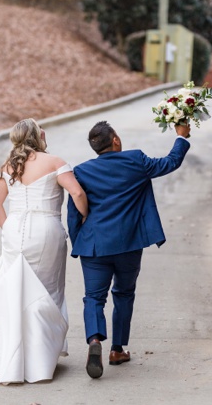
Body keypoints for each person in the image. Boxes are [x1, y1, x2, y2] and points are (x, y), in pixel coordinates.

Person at [67, 120, 190, 378]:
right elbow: (170, 163)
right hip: (128, 244)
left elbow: (72, 214)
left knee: (93, 298)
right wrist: (181, 136)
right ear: (115, 140)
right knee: (124, 293)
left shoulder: (81, 172)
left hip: (94, 246)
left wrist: (80, 242)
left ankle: (94, 342)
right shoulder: (135, 161)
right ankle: (117, 349)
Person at [0, 119, 88, 384]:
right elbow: (77, 193)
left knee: (17, 291)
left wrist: (9, 229)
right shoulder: (54, 161)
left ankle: (14, 356)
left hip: (13, 230)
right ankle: (40, 359)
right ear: (38, 136)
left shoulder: (6, 167)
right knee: (47, 291)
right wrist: (85, 218)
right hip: (46, 229)